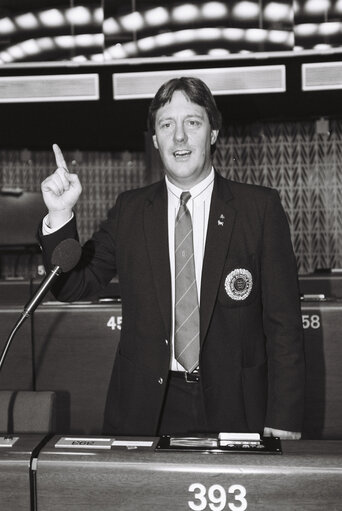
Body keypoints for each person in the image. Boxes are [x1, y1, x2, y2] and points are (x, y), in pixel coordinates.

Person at [39, 76, 305, 439]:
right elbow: (71, 286)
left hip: (239, 408)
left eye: (192, 122)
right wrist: (59, 216)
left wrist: (284, 416)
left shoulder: (260, 208)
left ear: (212, 133)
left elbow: (284, 324)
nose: (179, 137)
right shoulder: (130, 210)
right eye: (167, 125)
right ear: (155, 139)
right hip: (146, 409)